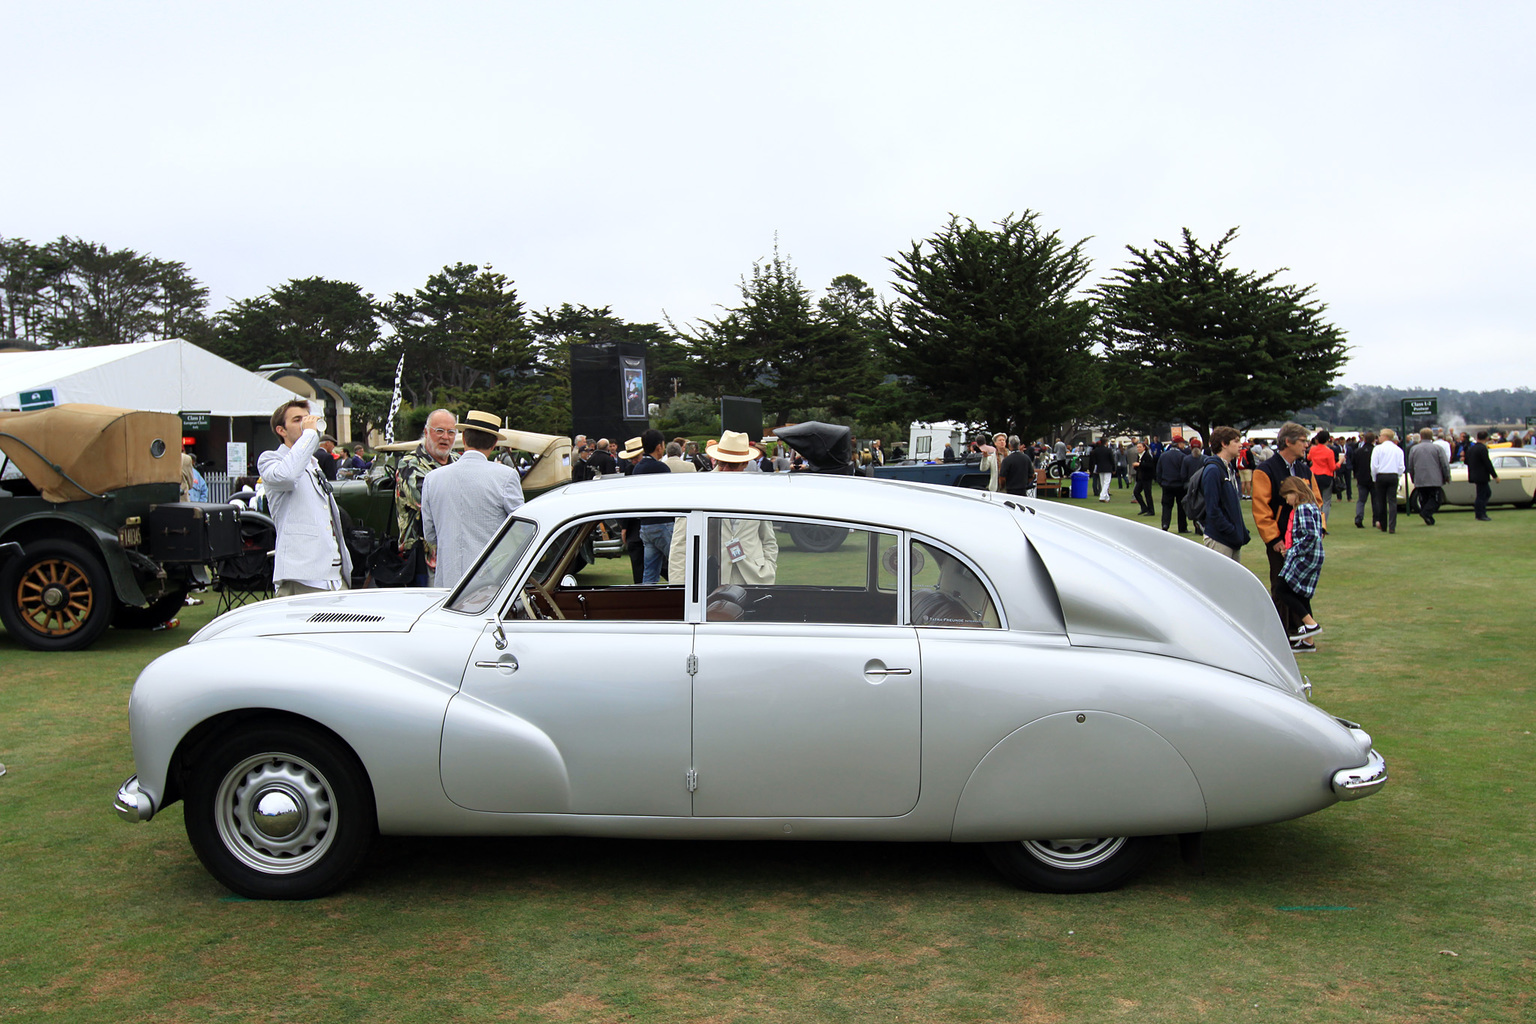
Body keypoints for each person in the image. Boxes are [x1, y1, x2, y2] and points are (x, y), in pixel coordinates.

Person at [419, 410, 525, 590]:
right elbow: (521, 530)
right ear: (494, 444)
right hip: (492, 582)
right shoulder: (506, 476)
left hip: (447, 581)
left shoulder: (432, 478)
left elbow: (430, 534)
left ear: (464, 440)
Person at [258, 399, 352, 598]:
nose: (305, 423)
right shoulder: (270, 459)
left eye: (307, 418)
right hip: (302, 574)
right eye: (297, 420)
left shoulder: (314, 463)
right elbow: (287, 476)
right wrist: (309, 434)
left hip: (332, 574)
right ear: (281, 430)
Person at [667, 430, 779, 585]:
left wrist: (769, 568)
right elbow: (680, 545)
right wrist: (678, 589)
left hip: (754, 579)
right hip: (711, 581)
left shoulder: (756, 493)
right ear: (715, 460)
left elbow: (768, 539)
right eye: (722, 463)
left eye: (732, 465)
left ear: (745, 464)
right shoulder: (696, 492)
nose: (725, 469)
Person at [1251, 422, 1322, 645]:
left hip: (1302, 541)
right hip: (1280, 540)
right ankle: (1283, 634)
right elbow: (1261, 508)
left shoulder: (1304, 469)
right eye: (1303, 441)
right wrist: (1275, 539)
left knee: (1300, 588)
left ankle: (1303, 632)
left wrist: (1317, 529)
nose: (1306, 446)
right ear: (1288, 442)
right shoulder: (1266, 470)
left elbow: (1316, 500)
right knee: (1281, 586)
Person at [396, 408, 459, 586]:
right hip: (423, 559)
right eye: (439, 431)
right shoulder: (410, 464)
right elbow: (429, 503)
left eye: (451, 432)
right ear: (426, 432)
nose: (445, 437)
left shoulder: (458, 460)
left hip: (455, 555)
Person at [1276, 477, 1325, 653]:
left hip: (1306, 556)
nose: (1286, 501)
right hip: (1312, 555)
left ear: (1295, 493)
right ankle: (1308, 642)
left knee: (1282, 588)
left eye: (1287, 496)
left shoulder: (1303, 508)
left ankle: (1311, 625)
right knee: (1302, 595)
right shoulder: (1312, 506)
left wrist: (1291, 551)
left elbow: (1310, 536)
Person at [1199, 426, 1250, 561]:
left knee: (1233, 580)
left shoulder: (1229, 468)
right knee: (1220, 580)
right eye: (1236, 441)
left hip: (1231, 538)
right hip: (1219, 538)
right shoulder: (1213, 470)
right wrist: (1230, 530)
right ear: (1224, 444)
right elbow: (1212, 508)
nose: (1240, 445)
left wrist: (1240, 531)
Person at [629, 428, 673, 584]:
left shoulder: (638, 468)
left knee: (650, 571)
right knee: (679, 564)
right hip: (662, 523)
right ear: (659, 447)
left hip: (646, 526)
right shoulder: (661, 468)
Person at [1407, 426, 1451, 526]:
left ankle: (1428, 517)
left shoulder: (1414, 449)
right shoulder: (1437, 448)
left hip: (1420, 479)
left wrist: (1413, 477)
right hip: (1434, 478)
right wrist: (1447, 476)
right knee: (1436, 499)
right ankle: (1426, 513)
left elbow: (1411, 465)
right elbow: (1444, 464)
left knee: (1424, 499)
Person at [1370, 428, 1405, 533]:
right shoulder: (1398, 450)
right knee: (1392, 501)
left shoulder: (1377, 449)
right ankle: (1392, 526)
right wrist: (1398, 476)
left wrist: (1374, 478)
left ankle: (1383, 525)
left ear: (1385, 437)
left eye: (1380, 435)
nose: (1379, 437)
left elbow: (1374, 466)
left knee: (1381, 501)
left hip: (1381, 475)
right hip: (1393, 475)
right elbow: (1401, 467)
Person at [1157, 437, 1189, 532]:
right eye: (1182, 443)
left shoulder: (1163, 456)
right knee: (1181, 507)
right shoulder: (1182, 456)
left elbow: (1158, 471)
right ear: (1179, 444)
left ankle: (1165, 524)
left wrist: (1161, 482)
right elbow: (1184, 473)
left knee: (1166, 506)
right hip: (1179, 485)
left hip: (1167, 484)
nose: (1183, 445)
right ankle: (1182, 527)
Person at [1466, 430, 1498, 521]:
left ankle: (1480, 513)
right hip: (1482, 475)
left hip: (1474, 474)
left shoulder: (1471, 448)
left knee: (1485, 493)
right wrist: (1495, 476)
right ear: (1486, 438)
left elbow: (1466, 461)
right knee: (1482, 495)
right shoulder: (1483, 448)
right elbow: (1487, 463)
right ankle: (1480, 514)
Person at [1307, 430, 1336, 525]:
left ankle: (1314, 521)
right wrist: (1340, 462)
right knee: (1326, 501)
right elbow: (1332, 467)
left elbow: (1308, 458)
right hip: (1326, 475)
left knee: (1314, 499)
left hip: (1314, 475)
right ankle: (1323, 523)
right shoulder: (1329, 451)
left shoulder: (1313, 449)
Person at [1131, 441, 1156, 515]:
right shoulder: (1139, 456)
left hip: (1147, 478)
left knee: (1147, 494)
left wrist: (1139, 464)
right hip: (1140, 478)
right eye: (1137, 447)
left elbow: (1150, 466)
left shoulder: (1147, 455)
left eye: (1140, 447)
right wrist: (1136, 467)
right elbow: (1140, 467)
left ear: (1144, 448)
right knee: (1136, 492)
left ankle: (1151, 510)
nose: (1138, 448)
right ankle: (1144, 507)